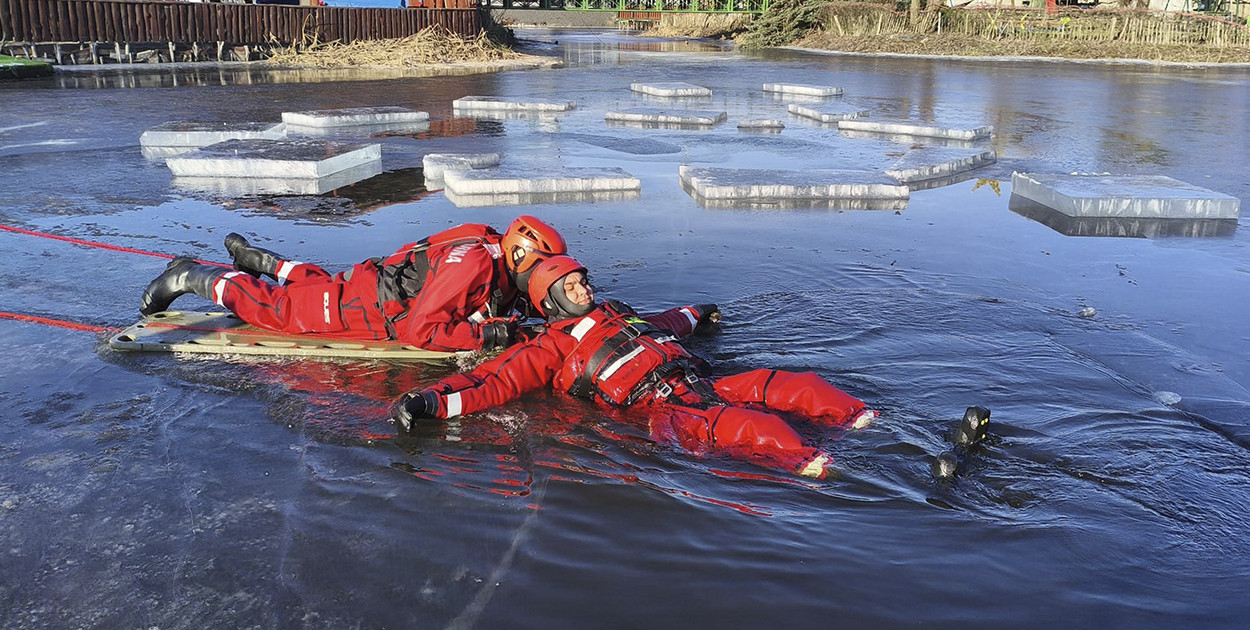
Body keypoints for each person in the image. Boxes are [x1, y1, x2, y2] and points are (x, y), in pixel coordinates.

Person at [393, 255, 877, 479]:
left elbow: (662, 324)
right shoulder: (548, 347)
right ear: (551, 299)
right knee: (746, 425)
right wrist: (430, 401)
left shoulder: (617, 312)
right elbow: (492, 381)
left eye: (584, 280)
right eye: (572, 286)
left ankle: (860, 419)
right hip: (663, 410)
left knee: (791, 383)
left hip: (699, 379)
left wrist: (696, 313)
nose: (585, 289)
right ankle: (809, 463)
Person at [139, 215, 566, 352]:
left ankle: (257, 259)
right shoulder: (470, 266)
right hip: (367, 309)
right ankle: (190, 274)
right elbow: (421, 331)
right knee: (281, 311)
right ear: (519, 256)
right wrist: (485, 335)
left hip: (371, 285)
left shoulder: (487, 243)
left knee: (320, 286)